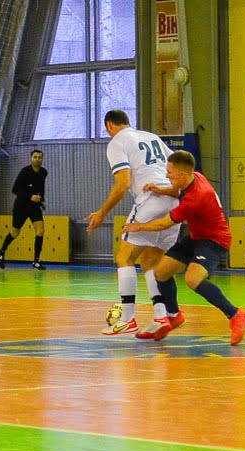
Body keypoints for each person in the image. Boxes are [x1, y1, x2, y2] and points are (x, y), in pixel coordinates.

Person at [122, 150, 245, 345]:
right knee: (161, 272)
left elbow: (164, 223)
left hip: (214, 241)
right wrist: (161, 189)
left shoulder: (197, 197)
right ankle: (174, 315)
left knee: (192, 279)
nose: (167, 176)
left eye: (170, 173)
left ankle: (236, 315)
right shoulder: (194, 177)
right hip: (195, 237)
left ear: (182, 174)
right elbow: (176, 190)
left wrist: (139, 226)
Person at [86, 109, 181, 337]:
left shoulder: (117, 142)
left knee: (124, 257)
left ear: (109, 125)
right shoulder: (152, 137)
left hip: (151, 200)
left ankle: (127, 318)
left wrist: (101, 213)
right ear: (129, 122)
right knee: (150, 259)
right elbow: (179, 167)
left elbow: (123, 183)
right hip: (174, 202)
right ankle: (161, 317)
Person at [0, 149, 48, 270]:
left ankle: (36, 260)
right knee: (15, 232)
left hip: (35, 207)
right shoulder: (25, 172)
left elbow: (41, 187)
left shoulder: (43, 172)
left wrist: (42, 200)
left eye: (40, 157)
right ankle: (1, 251)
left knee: (40, 230)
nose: (37, 159)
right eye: (35, 157)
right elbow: (15, 189)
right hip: (21, 206)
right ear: (31, 158)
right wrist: (30, 196)